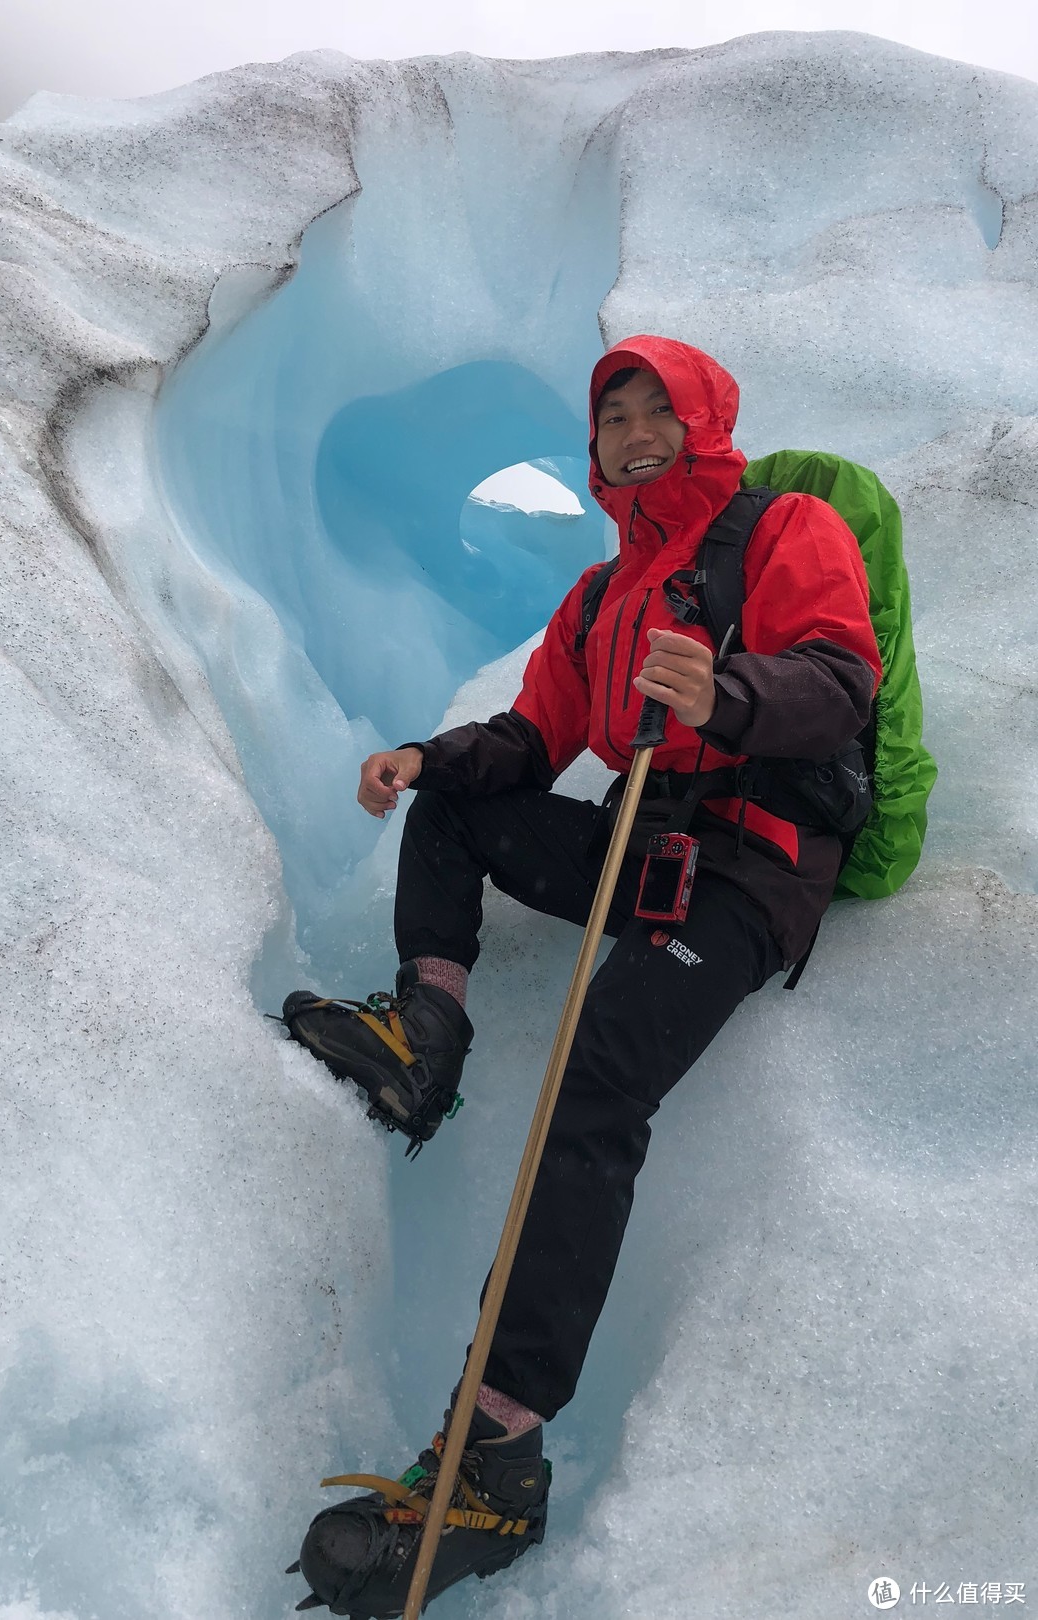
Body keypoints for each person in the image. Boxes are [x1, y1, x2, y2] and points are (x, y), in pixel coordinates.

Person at [283, 335, 881, 1617]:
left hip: (749, 871)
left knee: (598, 1072)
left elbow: (838, 684)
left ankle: (499, 1450)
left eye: (658, 408)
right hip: (643, 844)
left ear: (705, 420)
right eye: (613, 416)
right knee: (453, 799)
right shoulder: (604, 596)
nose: (635, 432)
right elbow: (536, 736)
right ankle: (422, 1041)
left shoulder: (788, 532)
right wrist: (420, 755)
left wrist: (723, 692)